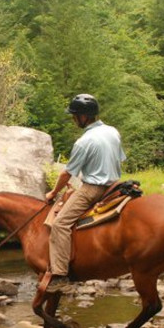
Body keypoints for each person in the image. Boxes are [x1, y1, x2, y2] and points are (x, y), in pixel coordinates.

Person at [44, 93, 126, 293]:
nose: (73, 119)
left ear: (84, 117)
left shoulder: (84, 141)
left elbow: (67, 174)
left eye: (75, 116)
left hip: (93, 190)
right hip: (116, 186)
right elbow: (120, 159)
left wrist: (53, 192)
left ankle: (60, 276)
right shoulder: (113, 132)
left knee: (60, 224)